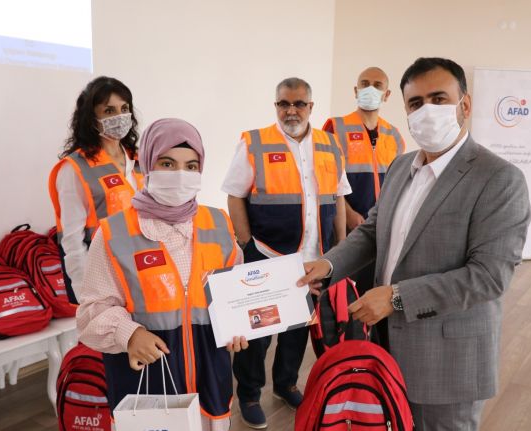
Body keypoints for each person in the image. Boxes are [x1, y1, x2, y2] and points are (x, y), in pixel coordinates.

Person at [299, 58, 531, 431]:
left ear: (465, 105)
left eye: (439, 99)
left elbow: (488, 277)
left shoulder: (499, 179)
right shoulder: (400, 167)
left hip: (446, 360)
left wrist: (396, 298)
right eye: (416, 103)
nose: (427, 111)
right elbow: (373, 231)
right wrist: (328, 265)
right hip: (386, 346)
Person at [76, 118, 248, 431]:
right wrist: (128, 334)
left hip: (210, 379)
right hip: (146, 385)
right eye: (167, 163)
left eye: (191, 166)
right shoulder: (114, 233)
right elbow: (91, 313)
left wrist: (238, 323)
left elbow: (233, 291)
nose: (180, 175)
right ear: (146, 164)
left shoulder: (220, 224)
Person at [222, 77, 351, 429]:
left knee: (297, 328)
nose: (291, 110)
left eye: (298, 104)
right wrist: (248, 246)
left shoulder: (329, 144)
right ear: (276, 105)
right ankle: (249, 394)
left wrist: (340, 247)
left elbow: (339, 197)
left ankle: (286, 384)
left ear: (311, 107)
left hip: (312, 259)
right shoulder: (254, 142)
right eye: (284, 104)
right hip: (267, 256)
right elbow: (234, 195)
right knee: (258, 333)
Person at [323, 66, 406, 349]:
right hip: (349, 229)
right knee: (347, 300)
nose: (371, 89)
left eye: (377, 85)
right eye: (365, 83)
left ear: (387, 94)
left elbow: (398, 182)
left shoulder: (394, 135)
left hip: (383, 230)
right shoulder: (335, 127)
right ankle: (347, 353)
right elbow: (329, 179)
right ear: (356, 90)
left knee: (378, 294)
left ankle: (376, 355)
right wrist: (349, 215)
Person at [48, 76, 143, 304]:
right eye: (109, 111)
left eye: (124, 109)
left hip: (140, 266)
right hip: (101, 272)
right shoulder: (75, 168)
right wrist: (85, 292)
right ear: (91, 118)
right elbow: (72, 240)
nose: (119, 116)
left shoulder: (139, 159)